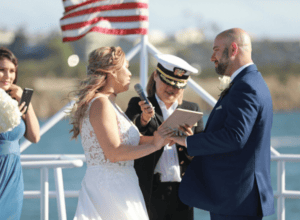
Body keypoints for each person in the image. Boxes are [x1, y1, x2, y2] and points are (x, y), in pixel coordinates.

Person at [170, 28, 275, 220]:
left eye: (216, 50)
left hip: (236, 201)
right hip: (237, 198)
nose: (212, 57)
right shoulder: (252, 82)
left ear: (233, 49)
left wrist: (186, 142)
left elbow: (235, 137)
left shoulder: (245, 87)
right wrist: (194, 138)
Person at [69, 46, 174, 220]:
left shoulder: (110, 104)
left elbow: (133, 140)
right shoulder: (100, 103)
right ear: (112, 72)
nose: (130, 73)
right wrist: (155, 145)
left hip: (124, 184)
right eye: (126, 67)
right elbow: (114, 153)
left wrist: (165, 137)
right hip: (109, 189)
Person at [125, 54, 204, 220]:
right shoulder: (137, 104)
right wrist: (144, 120)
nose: (172, 89)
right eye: (167, 81)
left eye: (178, 85)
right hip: (149, 189)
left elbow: (201, 155)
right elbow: (128, 138)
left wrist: (191, 142)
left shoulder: (191, 108)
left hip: (182, 192)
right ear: (155, 75)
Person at [0, 47, 40, 219]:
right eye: (1, 70)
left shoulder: (14, 100)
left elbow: (35, 137)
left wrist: (26, 103)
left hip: (13, 176)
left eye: (12, 71)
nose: (8, 76)